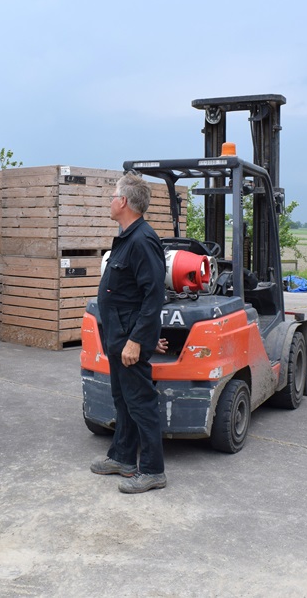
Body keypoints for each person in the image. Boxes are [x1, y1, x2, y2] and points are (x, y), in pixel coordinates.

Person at [90, 172, 168, 493]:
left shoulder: (142, 239)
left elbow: (153, 296)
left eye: (112, 196)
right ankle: (122, 457)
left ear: (123, 202)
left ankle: (152, 470)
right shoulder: (126, 237)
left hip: (128, 337)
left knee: (140, 401)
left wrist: (137, 340)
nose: (109, 201)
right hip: (117, 334)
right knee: (122, 399)